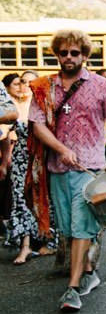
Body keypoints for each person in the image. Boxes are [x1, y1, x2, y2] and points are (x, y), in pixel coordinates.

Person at [27, 29, 106, 313]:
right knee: (70, 229)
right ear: (56, 54)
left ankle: (72, 289)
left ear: (84, 55)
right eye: (63, 53)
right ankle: (88, 274)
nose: (68, 57)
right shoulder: (44, 87)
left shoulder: (101, 85)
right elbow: (37, 125)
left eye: (74, 53)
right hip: (57, 168)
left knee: (82, 226)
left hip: (90, 168)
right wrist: (61, 149)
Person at [3, 73, 50, 264]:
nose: (26, 85)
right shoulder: (14, 107)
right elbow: (5, 134)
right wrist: (5, 159)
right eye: (23, 81)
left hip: (42, 158)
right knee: (21, 200)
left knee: (44, 199)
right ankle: (25, 246)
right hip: (21, 158)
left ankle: (47, 240)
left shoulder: (45, 105)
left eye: (31, 81)